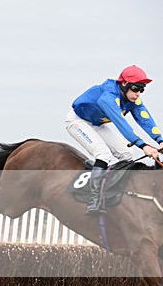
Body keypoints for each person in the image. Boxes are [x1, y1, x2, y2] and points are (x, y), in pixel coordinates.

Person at [65, 65, 162, 214]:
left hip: (98, 123)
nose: (138, 94)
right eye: (136, 89)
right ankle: (94, 200)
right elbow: (122, 125)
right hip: (78, 121)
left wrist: (160, 140)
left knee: (126, 155)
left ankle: (112, 193)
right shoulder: (108, 97)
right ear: (124, 84)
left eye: (142, 89)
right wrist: (143, 146)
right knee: (103, 154)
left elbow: (145, 119)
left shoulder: (132, 100)